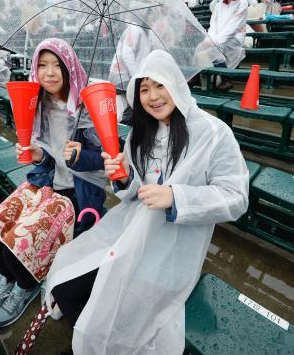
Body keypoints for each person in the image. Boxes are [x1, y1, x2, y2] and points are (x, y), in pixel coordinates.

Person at [45, 50, 249, 355]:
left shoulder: (213, 133)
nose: (152, 96)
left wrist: (176, 197)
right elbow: (133, 193)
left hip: (172, 246)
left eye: (160, 85)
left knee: (125, 315)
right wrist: (125, 179)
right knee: (66, 280)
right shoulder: (141, 133)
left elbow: (236, 198)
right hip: (128, 229)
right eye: (143, 88)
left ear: (176, 84)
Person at [0, 38, 106, 328]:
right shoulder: (37, 104)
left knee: (21, 241)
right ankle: (9, 278)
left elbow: (105, 161)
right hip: (46, 185)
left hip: (79, 194)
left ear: (69, 68)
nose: (49, 72)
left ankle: (26, 285)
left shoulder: (87, 106)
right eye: (42, 65)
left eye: (56, 65)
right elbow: (45, 162)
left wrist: (79, 157)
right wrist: (38, 155)